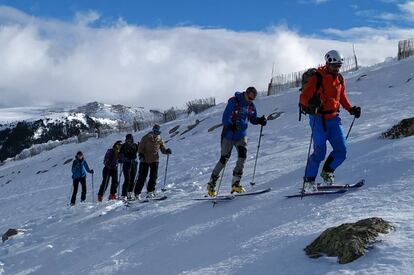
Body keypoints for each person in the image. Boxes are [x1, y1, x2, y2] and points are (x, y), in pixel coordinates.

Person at [299, 50, 361, 192]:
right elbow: (303, 98)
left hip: (334, 118)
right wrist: (311, 103)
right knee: (320, 151)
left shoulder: (339, 78)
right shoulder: (317, 78)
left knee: (342, 151)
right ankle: (308, 181)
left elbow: (342, 97)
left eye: (338, 66)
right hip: (318, 118)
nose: (336, 68)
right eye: (334, 66)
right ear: (327, 63)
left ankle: (327, 172)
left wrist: (351, 109)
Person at [207, 87, 267, 197]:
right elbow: (225, 118)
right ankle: (211, 184)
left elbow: (252, 119)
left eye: (252, 99)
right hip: (228, 135)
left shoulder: (250, 105)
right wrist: (231, 125)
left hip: (241, 135)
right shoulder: (234, 101)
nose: (250, 100)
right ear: (245, 93)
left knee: (242, 156)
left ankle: (235, 183)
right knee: (224, 159)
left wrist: (260, 120)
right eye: (249, 98)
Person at [133, 124, 171, 199]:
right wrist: (140, 154)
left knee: (154, 176)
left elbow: (162, 148)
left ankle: (150, 192)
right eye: (155, 131)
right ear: (152, 130)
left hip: (155, 159)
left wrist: (166, 151)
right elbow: (140, 147)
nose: (156, 133)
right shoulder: (146, 137)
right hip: (145, 160)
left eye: (157, 131)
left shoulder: (159, 139)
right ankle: (137, 194)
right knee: (142, 177)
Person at [119, 134, 139, 199]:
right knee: (127, 179)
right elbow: (120, 155)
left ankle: (130, 193)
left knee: (133, 179)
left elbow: (140, 151)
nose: (129, 140)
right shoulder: (124, 146)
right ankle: (124, 194)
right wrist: (122, 159)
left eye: (130, 139)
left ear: (132, 139)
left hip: (134, 163)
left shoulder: (135, 145)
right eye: (127, 139)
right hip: (126, 163)